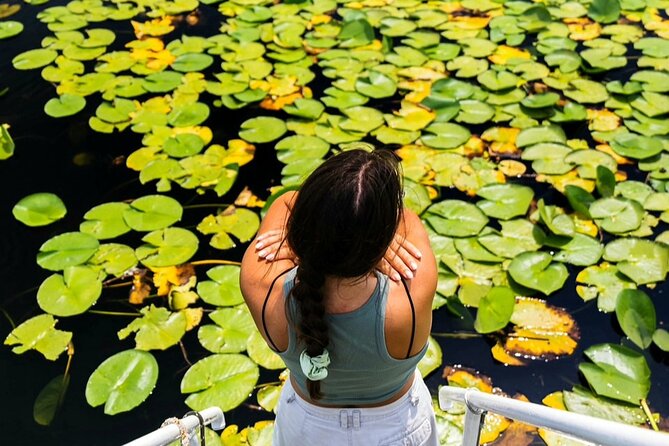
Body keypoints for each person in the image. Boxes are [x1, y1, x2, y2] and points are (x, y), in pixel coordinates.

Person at [240, 148, 438, 445]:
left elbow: (286, 201)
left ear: (302, 230)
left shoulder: (260, 283)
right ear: (381, 242)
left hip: (307, 432)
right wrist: (370, 248)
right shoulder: (412, 289)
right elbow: (406, 217)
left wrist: (303, 246)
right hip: (397, 431)